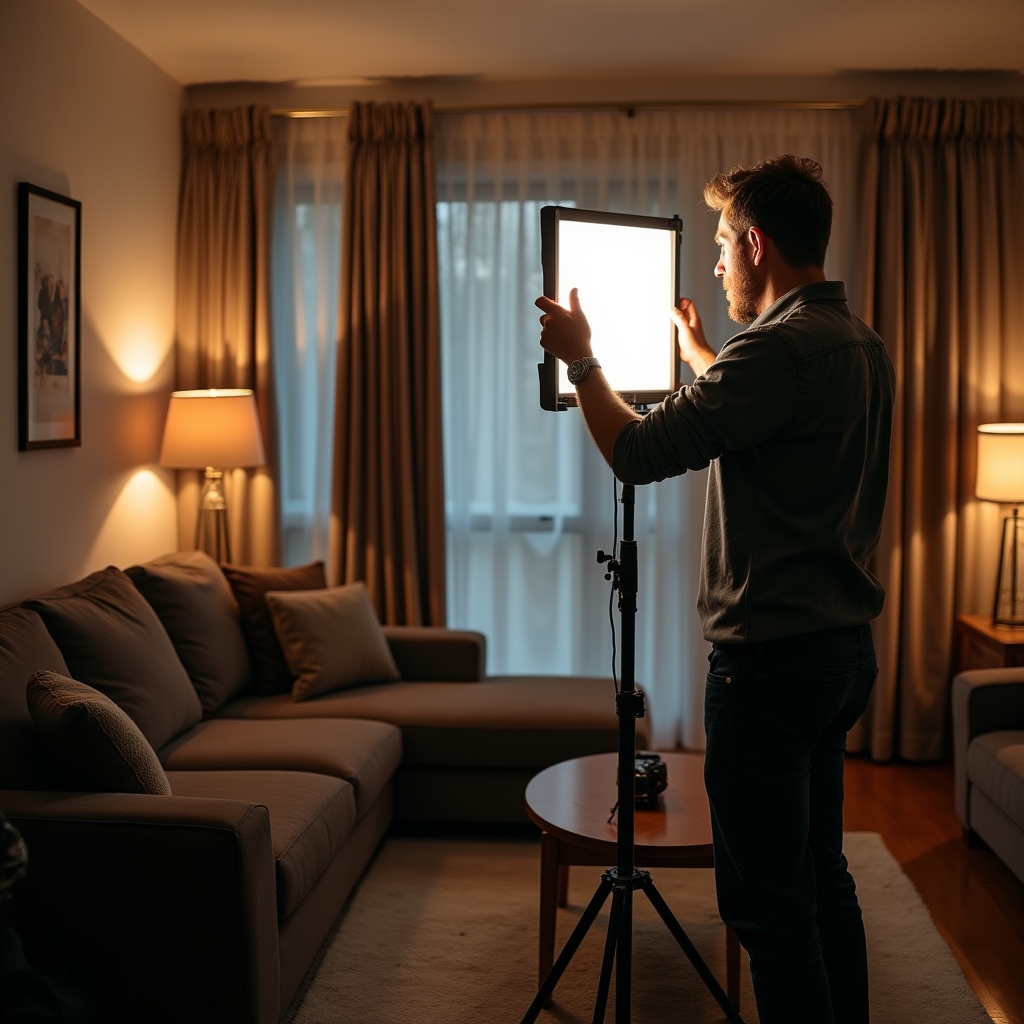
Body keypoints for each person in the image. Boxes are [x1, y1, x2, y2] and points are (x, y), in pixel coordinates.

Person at [535, 155, 895, 1024]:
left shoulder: (775, 351)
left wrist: (584, 364)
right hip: (840, 654)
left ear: (759, 243)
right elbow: (775, 426)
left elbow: (638, 452)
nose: (719, 263)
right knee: (819, 876)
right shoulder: (856, 341)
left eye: (727, 245)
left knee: (769, 912)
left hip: (769, 668)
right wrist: (705, 356)